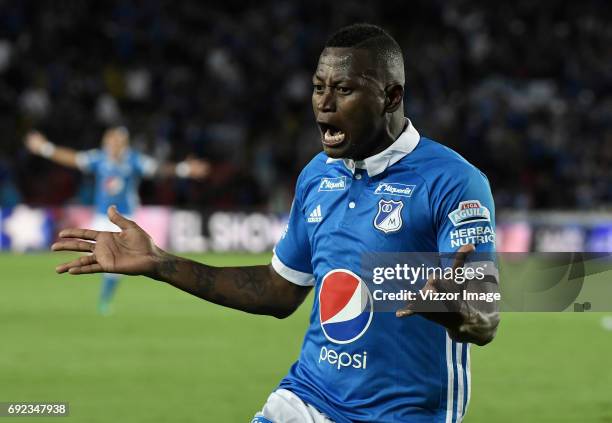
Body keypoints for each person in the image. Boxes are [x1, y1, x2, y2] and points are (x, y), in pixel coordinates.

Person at [51, 24, 500, 422]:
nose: (323, 105)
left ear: (391, 97)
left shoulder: (454, 182)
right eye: (318, 87)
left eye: (342, 90)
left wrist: (456, 308)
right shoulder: (317, 176)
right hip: (307, 399)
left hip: (401, 415)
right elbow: (278, 290)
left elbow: (485, 317)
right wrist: (158, 262)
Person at [26, 126, 209, 314]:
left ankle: (104, 300)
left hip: (125, 219)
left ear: (124, 144)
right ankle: (67, 290)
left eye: (117, 141)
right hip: (100, 216)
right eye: (110, 140)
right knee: (91, 255)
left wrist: (184, 168)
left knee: (115, 263)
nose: (113, 145)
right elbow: (72, 159)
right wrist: (44, 148)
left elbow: (158, 169)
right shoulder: (99, 158)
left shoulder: (134, 160)